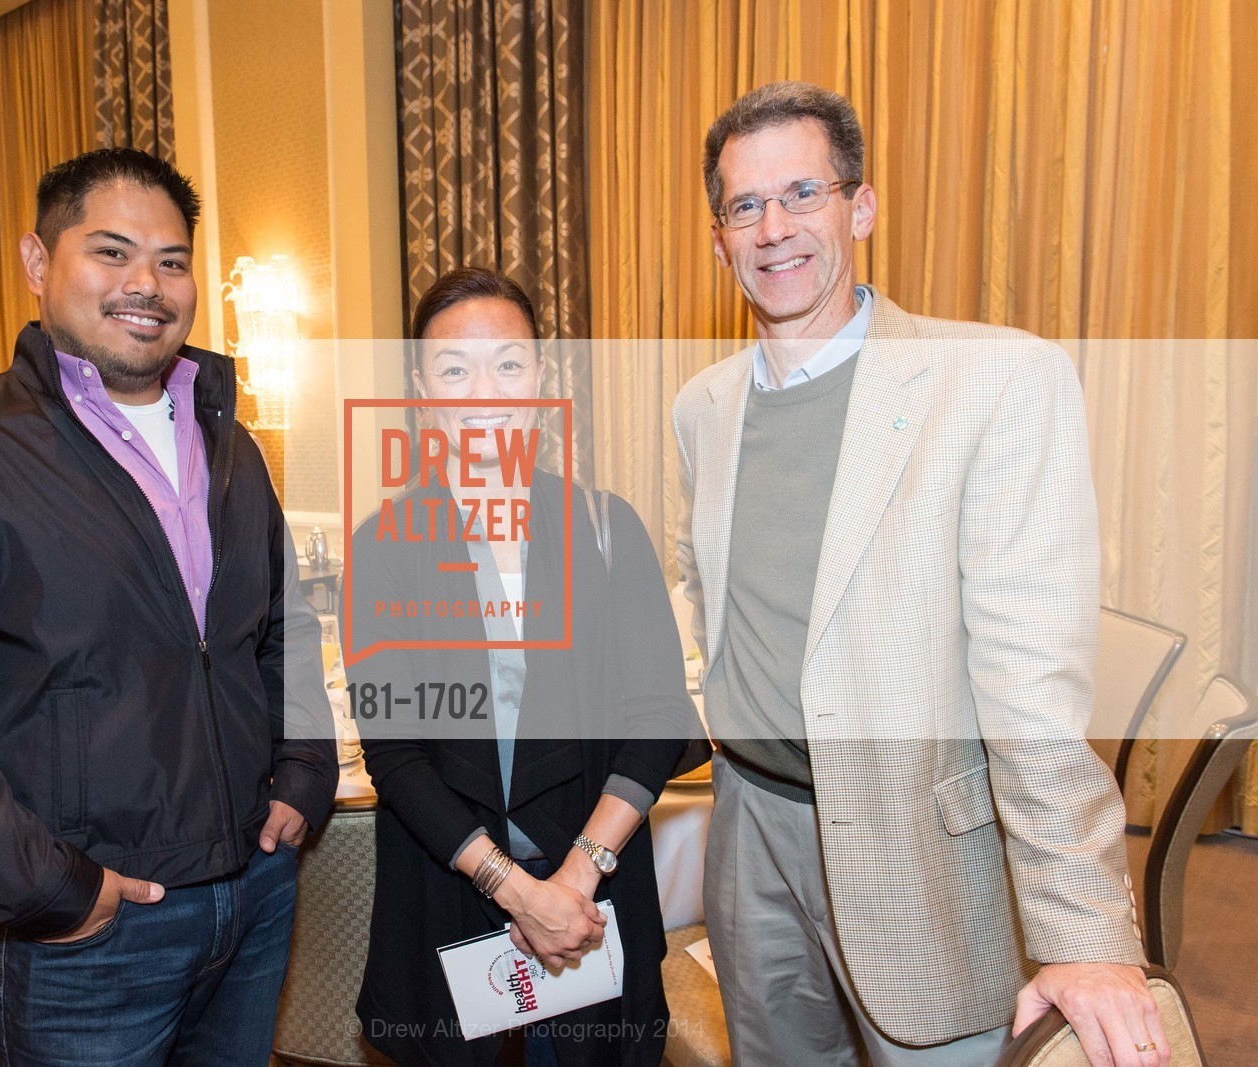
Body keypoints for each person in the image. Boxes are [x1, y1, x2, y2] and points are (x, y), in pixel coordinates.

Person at [673, 82, 1165, 1066]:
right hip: (747, 828)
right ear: (719, 239)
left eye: (802, 192)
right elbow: (708, 583)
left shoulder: (993, 381)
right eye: (743, 206)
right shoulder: (703, 407)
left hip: (916, 841)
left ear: (860, 208)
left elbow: (1032, 683)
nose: (773, 228)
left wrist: (1082, 933)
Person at [0, 147, 337, 1066]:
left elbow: (284, 627)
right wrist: (51, 886)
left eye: (173, 260)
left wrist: (305, 767)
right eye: (110, 251)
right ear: (38, 262)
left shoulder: (233, 445)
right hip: (93, 927)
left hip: (253, 894)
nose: (146, 283)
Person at [347, 267, 701, 1065]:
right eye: (454, 369)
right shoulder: (384, 546)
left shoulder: (608, 529)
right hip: (453, 891)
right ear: (421, 390)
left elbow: (656, 716)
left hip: (592, 896)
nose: (484, 392)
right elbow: (397, 756)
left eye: (508, 363)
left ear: (542, 376)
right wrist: (514, 888)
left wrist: (573, 881)